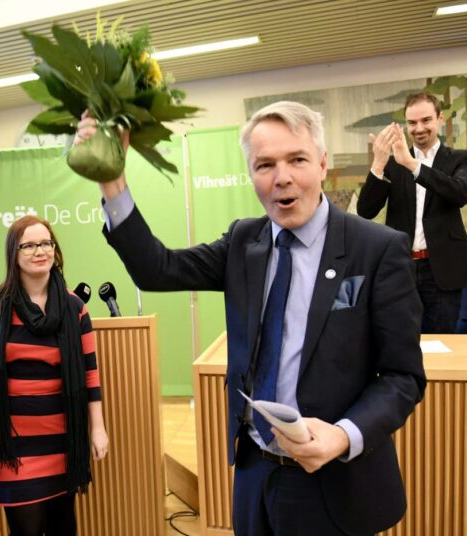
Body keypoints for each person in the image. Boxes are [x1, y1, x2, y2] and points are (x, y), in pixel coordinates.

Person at [77, 101, 426, 535]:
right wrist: (113, 182)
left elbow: (402, 377)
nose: (282, 177)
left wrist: (342, 436)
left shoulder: (375, 248)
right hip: (254, 473)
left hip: (335, 482)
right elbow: (157, 269)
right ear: (252, 175)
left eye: (297, 159)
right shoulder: (245, 241)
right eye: (265, 164)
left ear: (321, 164)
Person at [0, 215, 108, 536]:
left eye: (45, 243)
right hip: (13, 444)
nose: (38, 251)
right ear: (13, 254)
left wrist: (97, 428)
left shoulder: (75, 308)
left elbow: (89, 373)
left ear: (55, 250)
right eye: (28, 245)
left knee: (63, 528)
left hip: (63, 440)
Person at [357, 91, 467, 333]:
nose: (419, 128)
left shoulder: (461, 158)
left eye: (426, 120)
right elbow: (366, 211)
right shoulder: (393, 165)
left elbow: (462, 192)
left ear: (440, 119)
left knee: (441, 344)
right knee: (398, 341)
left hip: (441, 271)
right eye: (412, 122)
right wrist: (379, 163)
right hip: (401, 268)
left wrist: (412, 164)